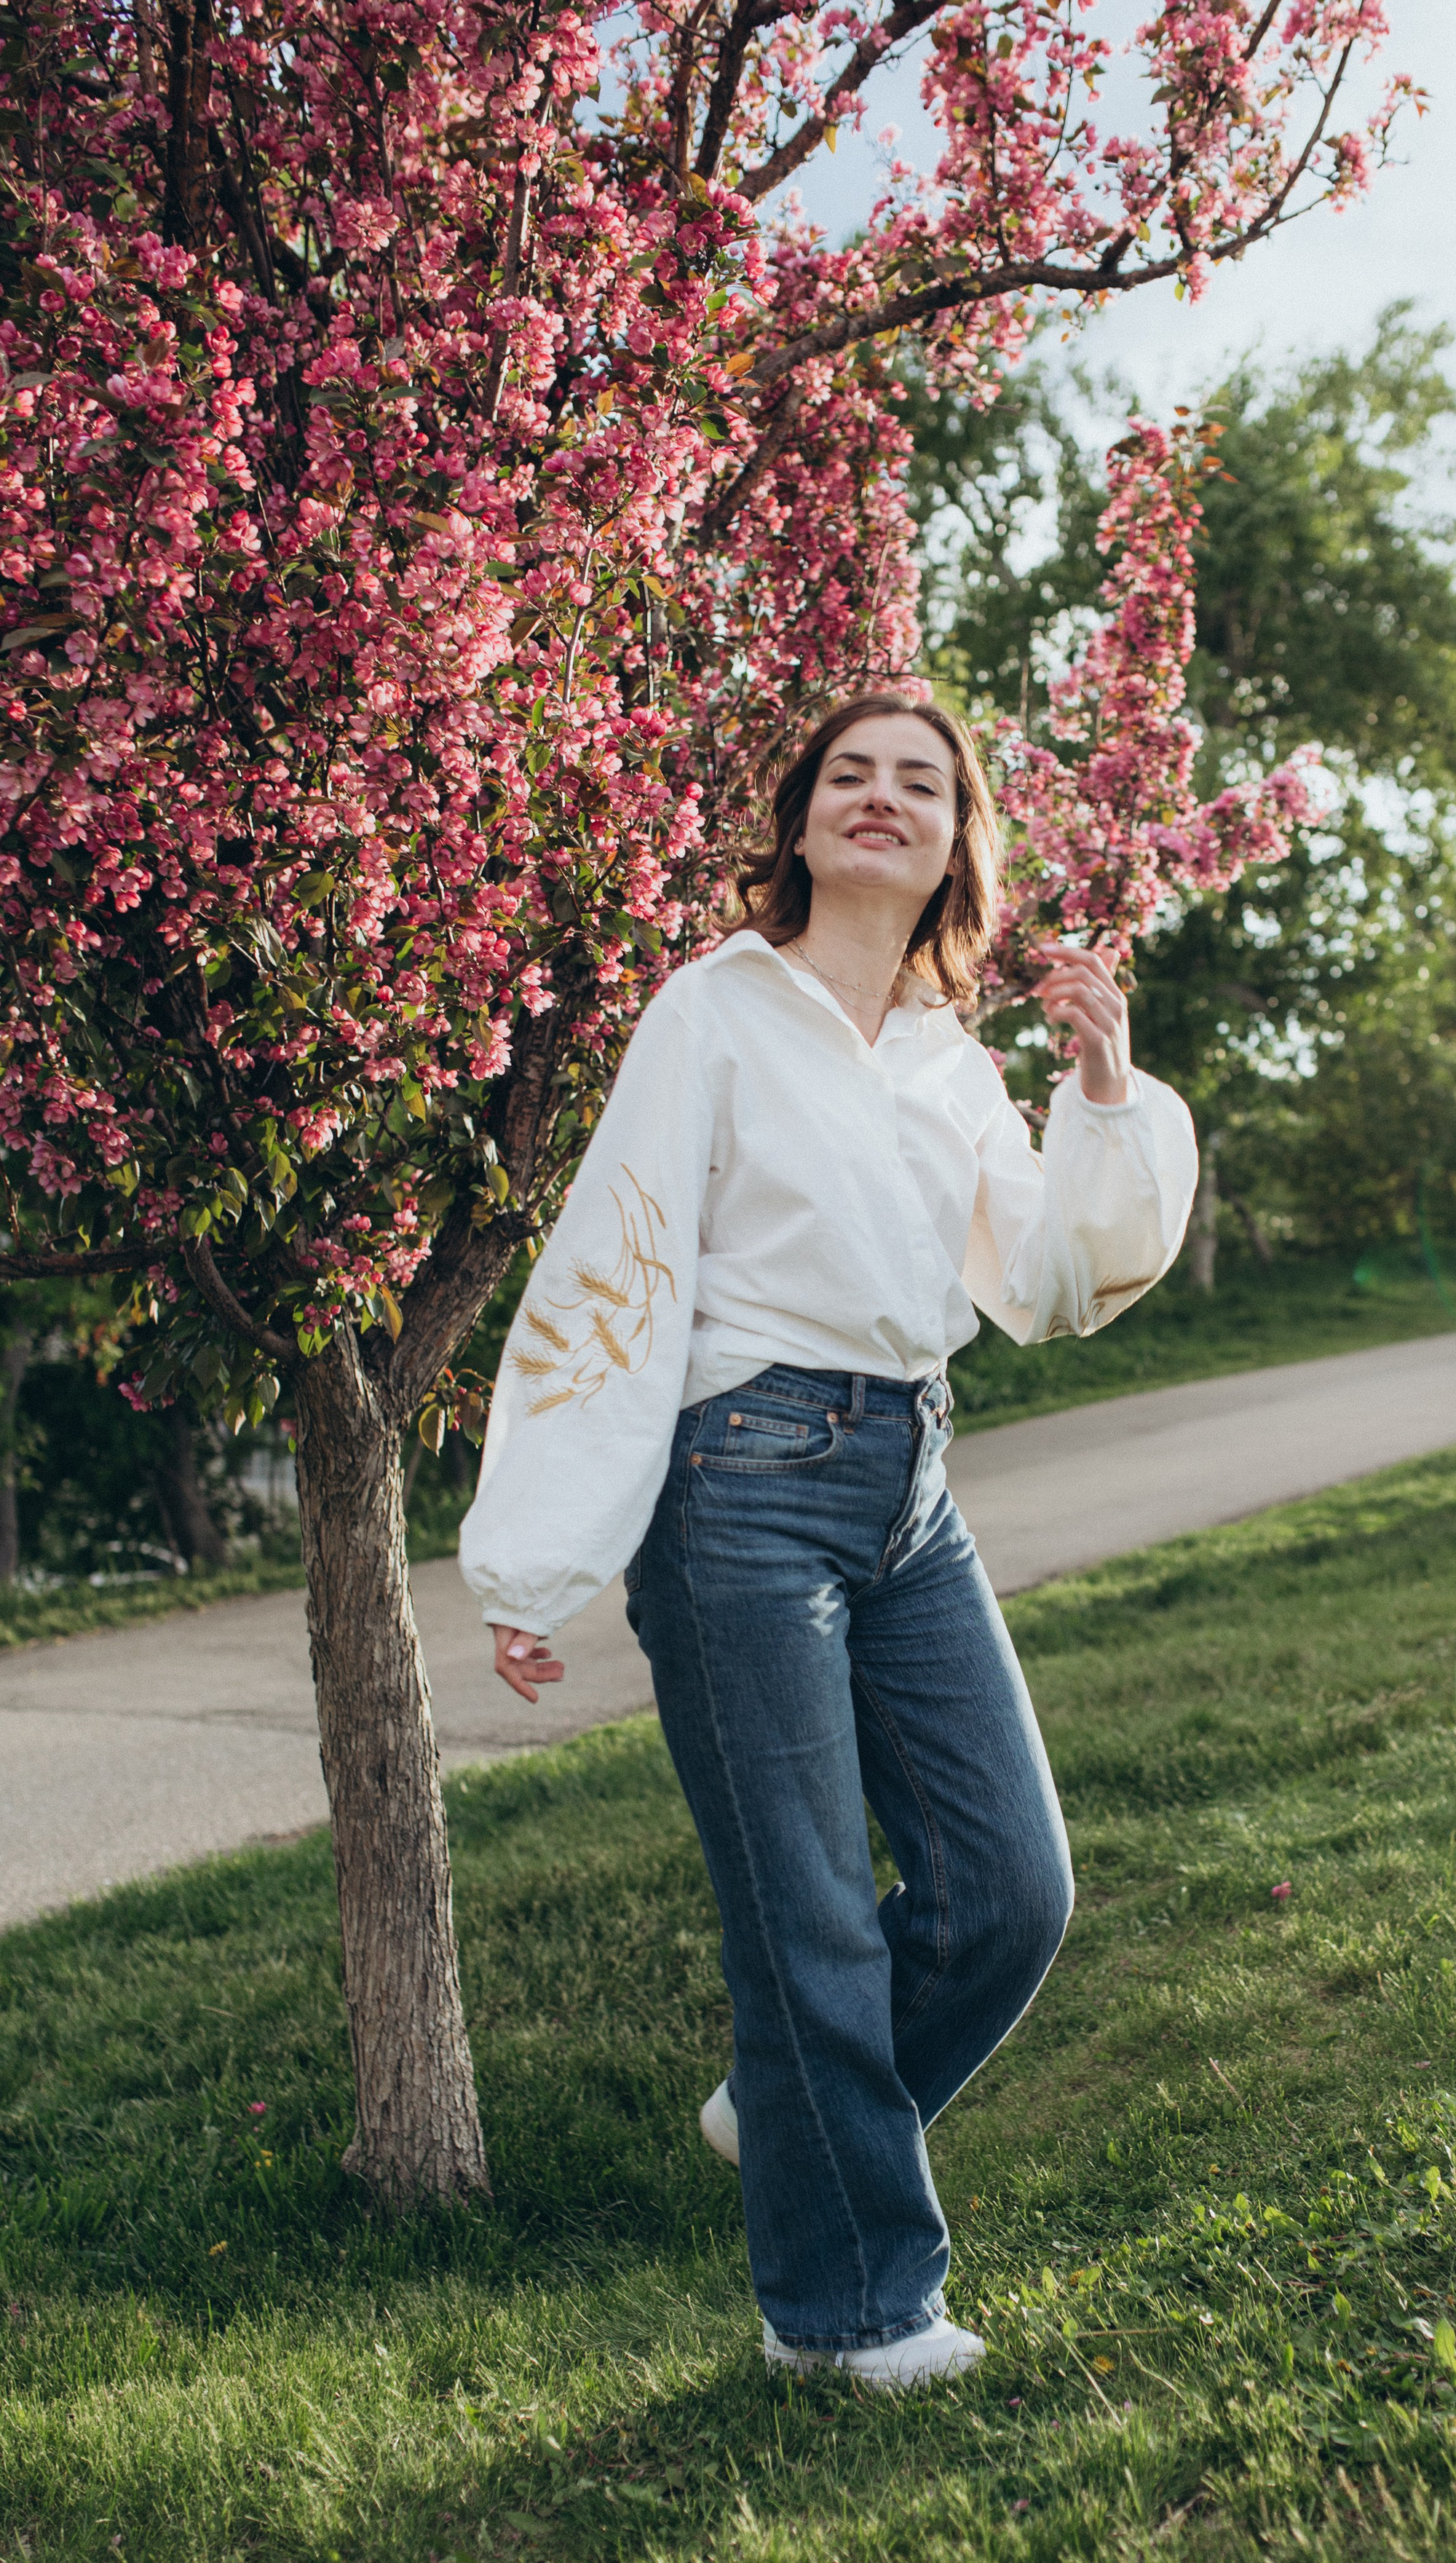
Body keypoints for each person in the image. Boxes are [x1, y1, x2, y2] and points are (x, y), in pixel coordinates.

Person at [459, 692, 1197, 2388]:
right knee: (809, 1922)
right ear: (797, 820)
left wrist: (1101, 1086)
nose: (881, 798)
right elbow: (615, 1265)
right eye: (848, 774)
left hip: (911, 1480)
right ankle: (850, 2318)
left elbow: (1059, 1285)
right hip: (741, 1479)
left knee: (1011, 1887)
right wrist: (543, 1554)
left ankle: (789, 2090)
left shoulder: (949, 1062)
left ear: (956, 842)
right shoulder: (709, 1013)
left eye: (919, 783)